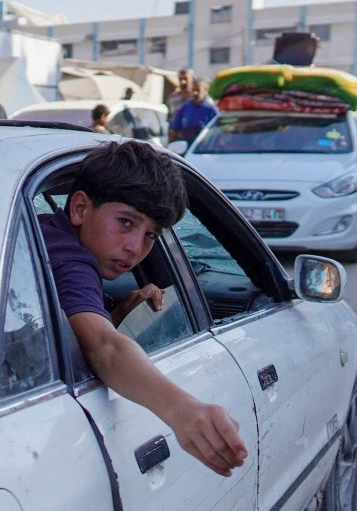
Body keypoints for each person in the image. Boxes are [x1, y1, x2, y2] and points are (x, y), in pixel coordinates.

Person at [40, 140, 247, 476]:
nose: (135, 247)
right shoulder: (70, 260)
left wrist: (116, 315)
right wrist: (181, 409)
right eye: (125, 222)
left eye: (151, 234)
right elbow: (104, 347)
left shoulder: (46, 234)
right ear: (79, 209)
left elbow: (78, 326)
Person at [168, 80, 216, 145]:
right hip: (186, 147)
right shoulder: (184, 108)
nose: (195, 93)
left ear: (205, 91)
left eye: (198, 90)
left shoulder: (211, 109)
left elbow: (217, 131)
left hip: (204, 147)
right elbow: (175, 129)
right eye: (193, 90)